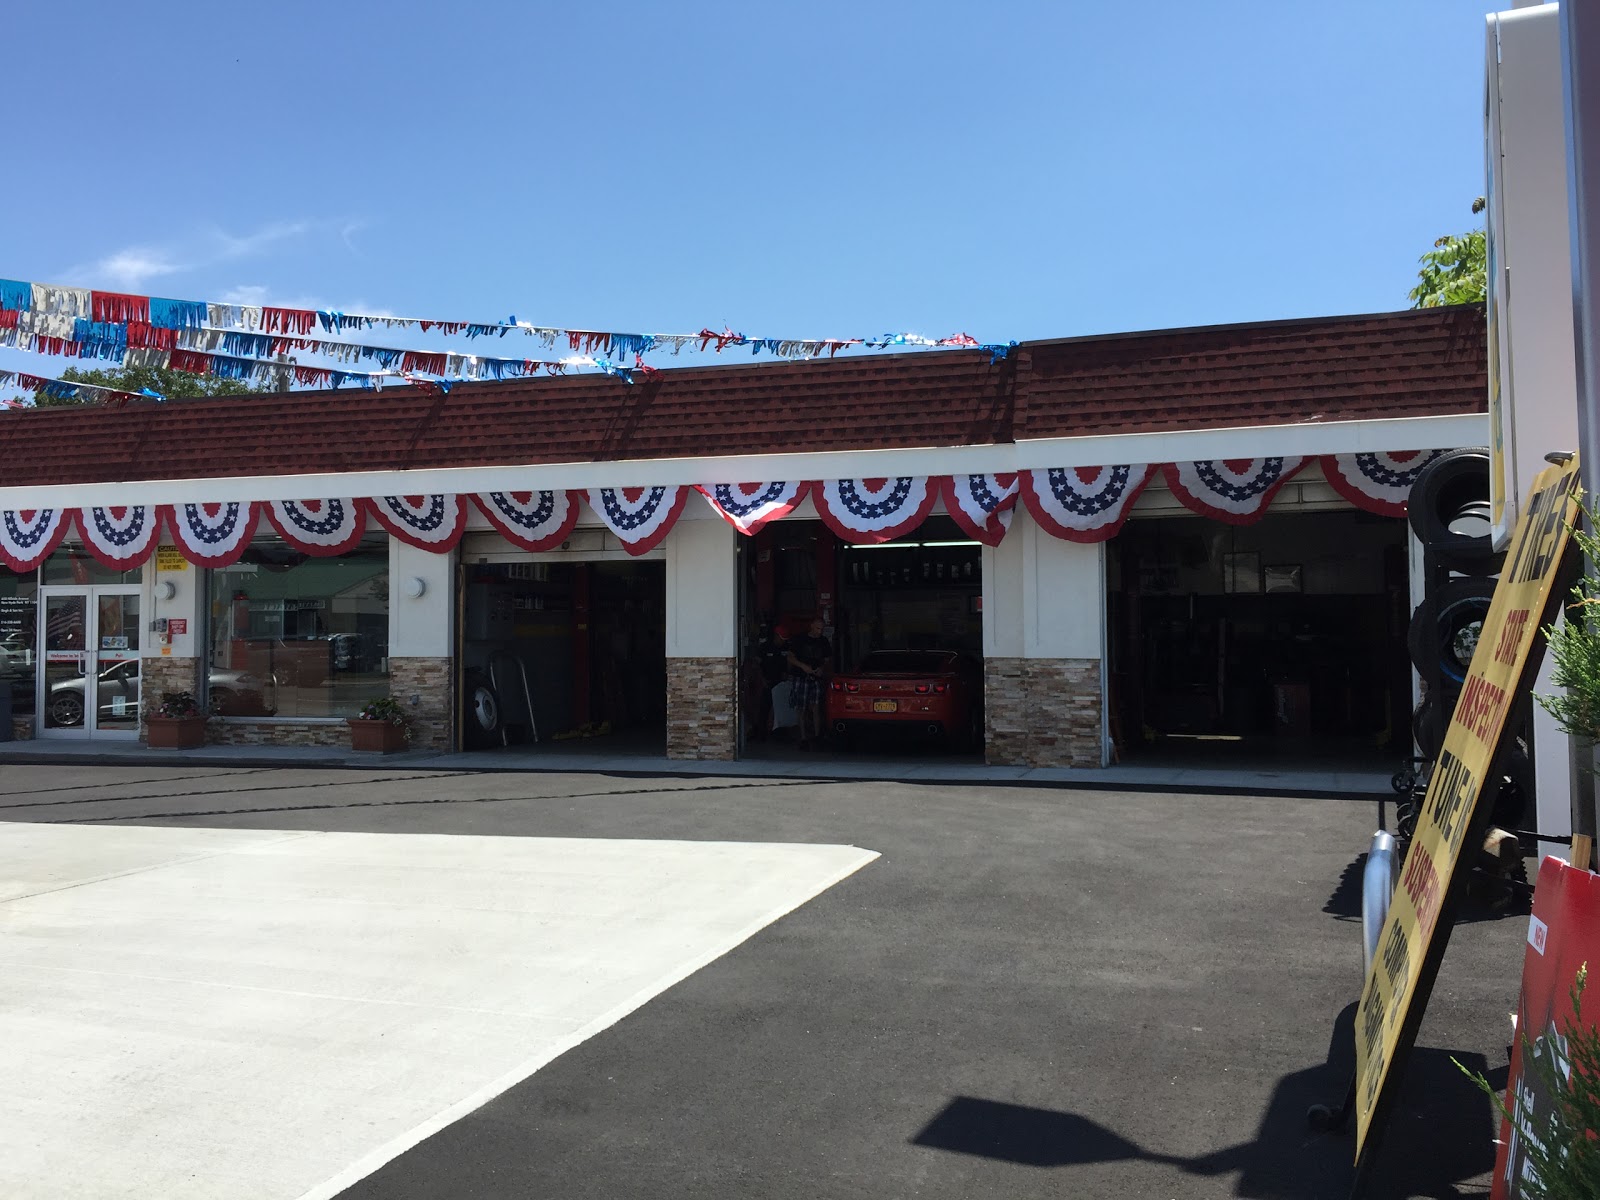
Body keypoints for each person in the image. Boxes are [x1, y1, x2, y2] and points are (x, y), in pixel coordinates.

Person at [785, 617, 832, 750]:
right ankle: (803, 737)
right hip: (801, 677)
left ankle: (817, 737)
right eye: (818, 628)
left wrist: (822, 668)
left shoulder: (823, 641)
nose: (820, 632)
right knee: (801, 708)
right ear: (811, 626)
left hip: (816, 677)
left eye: (822, 629)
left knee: (816, 707)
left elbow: (827, 658)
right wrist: (802, 666)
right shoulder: (799, 639)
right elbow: (790, 657)